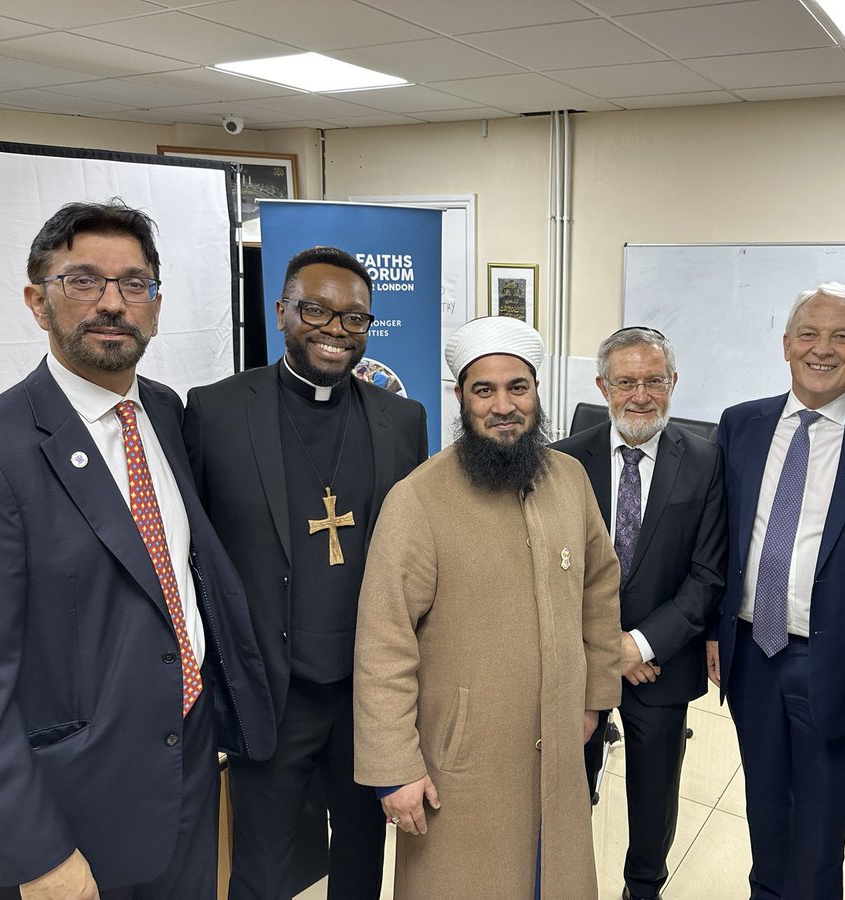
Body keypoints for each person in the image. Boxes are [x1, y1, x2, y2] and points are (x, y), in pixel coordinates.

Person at [0, 199, 276, 899]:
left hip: (189, 774)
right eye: (84, 281)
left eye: (134, 284)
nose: (113, 303)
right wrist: (35, 853)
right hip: (74, 814)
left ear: (156, 304)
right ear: (36, 301)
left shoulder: (166, 414)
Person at [184, 246, 428, 900]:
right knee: (262, 868)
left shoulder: (403, 421)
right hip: (271, 691)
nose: (334, 330)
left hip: (366, 692)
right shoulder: (215, 411)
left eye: (354, 318)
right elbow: (195, 555)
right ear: (282, 310)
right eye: (315, 310)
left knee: (359, 852)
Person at [352, 316, 622, 899]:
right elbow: (383, 639)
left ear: (535, 392)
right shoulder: (419, 498)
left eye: (517, 387)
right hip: (461, 762)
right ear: (461, 398)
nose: (504, 405)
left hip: (558, 738)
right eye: (485, 390)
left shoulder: (569, 479)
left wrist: (595, 699)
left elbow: (600, 589)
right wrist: (394, 766)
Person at [708, 283, 845, 899]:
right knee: (763, 809)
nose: (822, 350)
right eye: (809, 334)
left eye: (841, 338)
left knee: (819, 823)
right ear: (786, 344)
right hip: (752, 652)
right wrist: (713, 630)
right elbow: (720, 540)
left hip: (836, 662)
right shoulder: (741, 424)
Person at [553, 327, 726, 900]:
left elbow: (707, 576)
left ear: (673, 383)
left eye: (654, 381)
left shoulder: (705, 461)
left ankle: (642, 888)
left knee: (654, 797)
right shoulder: (562, 462)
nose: (641, 395)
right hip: (576, 663)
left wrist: (641, 645)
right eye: (625, 382)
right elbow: (552, 577)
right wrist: (608, 650)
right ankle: (565, 882)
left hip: (661, 663)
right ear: (602, 386)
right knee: (565, 789)